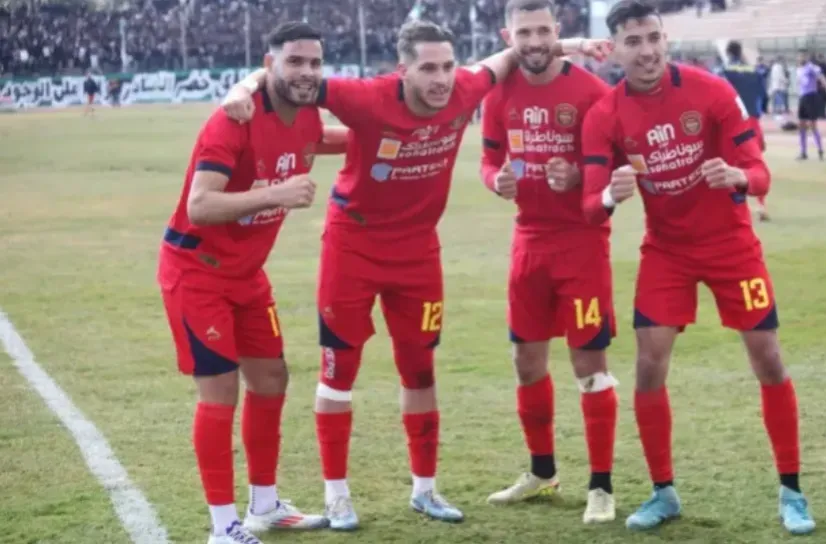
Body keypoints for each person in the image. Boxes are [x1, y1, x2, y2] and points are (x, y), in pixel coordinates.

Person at [221, 20, 609, 531]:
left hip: (419, 252)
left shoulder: (466, 87)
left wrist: (574, 45)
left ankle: (425, 490)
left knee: (420, 371)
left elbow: (518, 53)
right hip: (353, 246)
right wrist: (243, 86)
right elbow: (289, 78)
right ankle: (337, 496)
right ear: (402, 70)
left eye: (447, 66)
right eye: (428, 68)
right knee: (339, 371)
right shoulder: (365, 98)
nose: (441, 79)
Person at [579, 1, 816, 535]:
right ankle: (663, 492)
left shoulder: (711, 91)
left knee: (769, 359)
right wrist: (611, 196)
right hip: (666, 252)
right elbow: (590, 206)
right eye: (633, 41)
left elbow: (759, 172)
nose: (647, 51)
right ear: (614, 50)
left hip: (731, 245)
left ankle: (792, 492)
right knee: (648, 366)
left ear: (665, 39)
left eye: (653, 38)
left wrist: (739, 176)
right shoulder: (605, 115)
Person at [157, 22, 353, 544]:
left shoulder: (307, 116)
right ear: (270, 65)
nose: (307, 72)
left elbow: (331, 138)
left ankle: (264, 505)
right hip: (196, 271)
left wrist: (403, 129)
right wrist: (277, 194)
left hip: (247, 276)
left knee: (270, 379)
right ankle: (223, 528)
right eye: (295, 61)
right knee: (220, 390)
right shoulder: (234, 118)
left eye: (315, 63)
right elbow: (200, 206)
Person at [478, 0, 617, 524]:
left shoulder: (591, 92)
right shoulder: (498, 92)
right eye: (524, 32)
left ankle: (601, 485)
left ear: (558, 31)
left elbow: (618, 163)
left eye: (543, 30)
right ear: (507, 36)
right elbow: (488, 159)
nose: (534, 41)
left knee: (589, 366)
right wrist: (495, 180)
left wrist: (581, 174)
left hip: (581, 243)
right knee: (526, 360)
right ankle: (542, 472)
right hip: (528, 242)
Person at [722, 40, 770, 221]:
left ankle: (737, 205)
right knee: (756, 163)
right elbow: (763, 95)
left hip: (734, 121)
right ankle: (762, 206)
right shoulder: (754, 71)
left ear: (728, 53)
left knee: (731, 163)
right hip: (753, 120)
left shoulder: (725, 71)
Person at [796, 50, 826, 160]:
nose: (801, 58)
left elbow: (821, 77)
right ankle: (803, 152)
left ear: (807, 57)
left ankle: (820, 149)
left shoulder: (811, 67)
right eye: (800, 56)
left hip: (811, 97)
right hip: (802, 97)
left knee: (813, 125)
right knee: (801, 125)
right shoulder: (799, 69)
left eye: (803, 56)